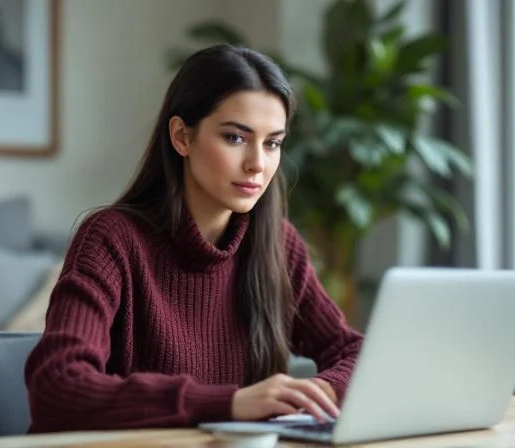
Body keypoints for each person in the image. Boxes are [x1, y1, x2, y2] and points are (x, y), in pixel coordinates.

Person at [24, 44, 364, 433]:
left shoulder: (277, 245)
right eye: (236, 138)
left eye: (272, 143)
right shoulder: (111, 239)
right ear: (182, 136)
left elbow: (355, 351)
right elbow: (57, 387)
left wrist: (321, 390)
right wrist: (230, 404)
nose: (258, 162)